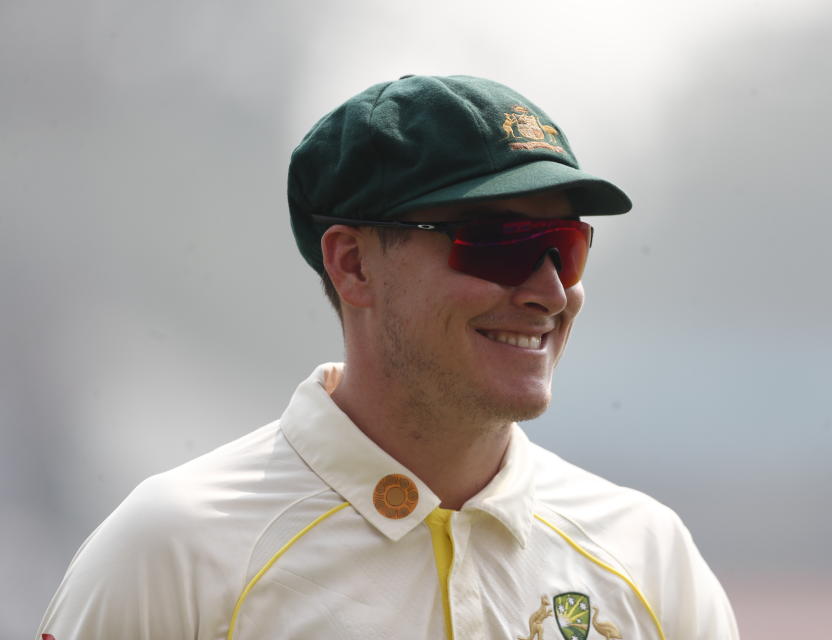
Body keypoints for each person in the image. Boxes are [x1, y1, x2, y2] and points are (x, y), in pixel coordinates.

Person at [37, 75, 738, 640]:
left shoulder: (647, 556)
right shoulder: (174, 550)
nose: (550, 291)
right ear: (353, 266)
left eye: (567, 246)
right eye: (497, 243)